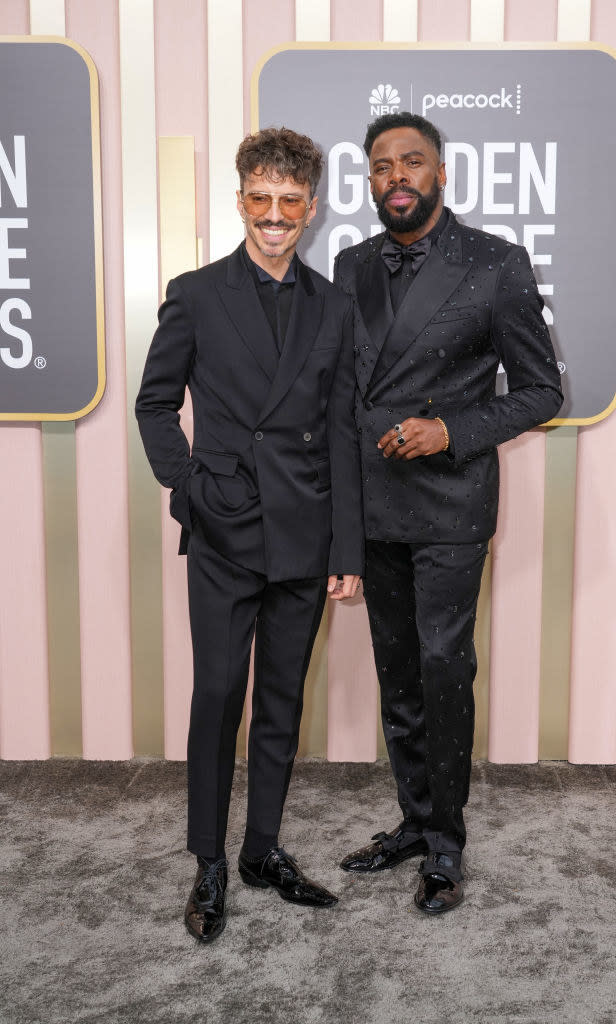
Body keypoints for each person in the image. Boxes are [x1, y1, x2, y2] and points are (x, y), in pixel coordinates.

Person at [136, 127, 363, 943]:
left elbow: (341, 431)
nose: (273, 216)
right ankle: (207, 860)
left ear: (310, 208)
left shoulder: (334, 305)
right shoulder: (195, 293)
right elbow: (155, 404)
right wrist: (190, 485)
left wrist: (346, 552)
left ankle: (261, 851)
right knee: (218, 696)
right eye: (259, 200)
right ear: (241, 201)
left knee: (280, 702)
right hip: (226, 527)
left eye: (289, 202)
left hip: (304, 532)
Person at [334, 112, 563, 915]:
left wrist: (450, 430)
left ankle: (445, 844)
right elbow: (341, 386)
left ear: (439, 172)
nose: (395, 176)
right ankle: (412, 818)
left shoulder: (494, 264)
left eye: (411, 162)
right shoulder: (349, 262)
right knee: (397, 673)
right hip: (371, 498)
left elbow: (542, 390)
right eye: (379, 167)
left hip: (450, 500)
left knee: (440, 668)